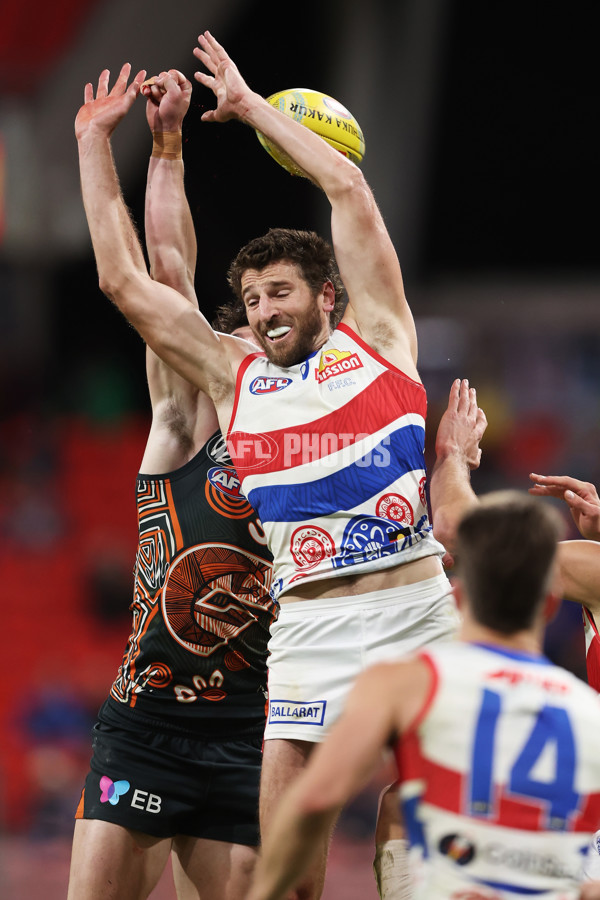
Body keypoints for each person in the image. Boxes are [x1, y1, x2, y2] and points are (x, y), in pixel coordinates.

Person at [75, 34, 459, 898]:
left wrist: (251, 108)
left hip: (413, 607)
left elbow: (347, 186)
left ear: (328, 295)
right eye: (249, 301)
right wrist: (98, 146)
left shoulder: (385, 344)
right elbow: (135, 282)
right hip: (306, 636)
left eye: (278, 293)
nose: (261, 313)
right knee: (287, 884)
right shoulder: (230, 382)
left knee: (440, 813)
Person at [67, 69, 275, 900]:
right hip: (147, 729)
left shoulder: (308, 443)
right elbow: (165, 272)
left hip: (254, 737)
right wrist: (160, 144)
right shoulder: (185, 421)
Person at [244, 489, 600, 900]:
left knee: (400, 809)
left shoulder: (409, 683)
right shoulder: (585, 713)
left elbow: (316, 797)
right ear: (551, 606)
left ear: (459, 599)